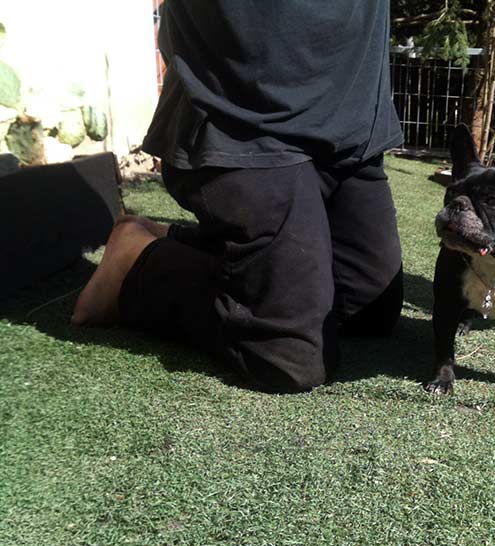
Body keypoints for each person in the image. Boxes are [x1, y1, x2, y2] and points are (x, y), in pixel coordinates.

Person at [71, 2, 405, 392]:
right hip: (243, 118)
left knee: (368, 307)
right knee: (291, 354)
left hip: (351, 119)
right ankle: (138, 265)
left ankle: (188, 243)